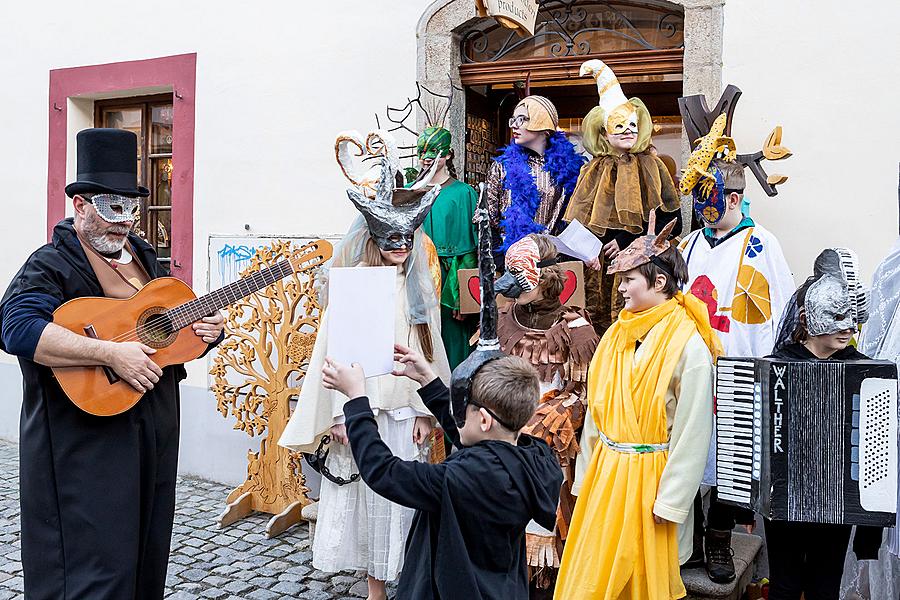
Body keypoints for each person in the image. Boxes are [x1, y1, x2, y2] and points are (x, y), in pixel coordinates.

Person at [0, 128, 225, 599]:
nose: (123, 221)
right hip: (83, 448)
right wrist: (107, 352)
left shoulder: (144, 257)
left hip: (151, 437)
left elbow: (162, 336)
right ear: (80, 206)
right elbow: (17, 329)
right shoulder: (51, 264)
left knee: (143, 557)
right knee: (91, 567)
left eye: (131, 208)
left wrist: (205, 337)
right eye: (110, 208)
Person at [278, 158, 451, 600]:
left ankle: (409, 582)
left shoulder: (420, 287)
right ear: (374, 237)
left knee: (401, 501)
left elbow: (430, 352)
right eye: (392, 238)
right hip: (362, 413)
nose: (401, 246)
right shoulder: (354, 284)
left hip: (402, 411)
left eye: (408, 239)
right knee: (368, 500)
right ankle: (375, 590)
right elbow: (335, 352)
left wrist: (426, 412)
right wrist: (340, 415)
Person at [554, 211, 722, 600]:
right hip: (607, 477)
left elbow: (693, 431)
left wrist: (674, 500)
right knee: (595, 578)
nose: (622, 289)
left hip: (653, 484)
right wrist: (584, 475)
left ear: (659, 281)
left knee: (642, 584)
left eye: (630, 279)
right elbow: (599, 411)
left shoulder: (689, 346)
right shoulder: (616, 334)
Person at [677, 155, 795, 581]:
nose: (705, 211)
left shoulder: (762, 243)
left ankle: (720, 539)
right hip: (689, 368)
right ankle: (685, 539)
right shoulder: (688, 245)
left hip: (738, 368)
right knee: (686, 449)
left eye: (712, 200)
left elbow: (779, 312)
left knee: (732, 456)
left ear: (735, 198)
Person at [766, 247, 883, 600]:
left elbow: (877, 448)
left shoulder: (867, 374)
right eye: (838, 318)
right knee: (783, 586)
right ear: (811, 319)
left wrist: (869, 520)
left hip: (837, 504)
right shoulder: (778, 365)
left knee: (824, 586)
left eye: (852, 319)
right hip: (786, 501)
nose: (848, 329)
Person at [493, 233, 599, 592]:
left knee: (548, 530)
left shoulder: (575, 329)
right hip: (505, 437)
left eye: (520, 274)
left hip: (550, 445)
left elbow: (582, 393)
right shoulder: (505, 319)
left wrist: (544, 421)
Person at [563, 59, 682, 333]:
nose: (628, 130)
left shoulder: (651, 166)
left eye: (632, 124)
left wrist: (626, 240)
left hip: (638, 267)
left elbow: (670, 218)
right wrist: (586, 251)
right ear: (603, 131)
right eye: (619, 125)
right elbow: (579, 219)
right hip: (596, 268)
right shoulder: (592, 169)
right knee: (596, 324)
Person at [412, 126, 479, 370]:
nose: (427, 157)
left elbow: (469, 251)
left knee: (451, 345)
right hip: (414, 274)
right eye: (422, 152)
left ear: (448, 154)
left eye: (434, 151)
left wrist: (462, 296)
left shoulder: (464, 194)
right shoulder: (409, 192)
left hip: (449, 282)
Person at [485, 95, 585, 252]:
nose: (514, 126)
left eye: (522, 119)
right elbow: (489, 218)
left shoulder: (569, 168)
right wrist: (501, 260)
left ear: (544, 129)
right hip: (512, 257)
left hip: (553, 259)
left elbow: (575, 219)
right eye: (514, 119)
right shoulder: (502, 166)